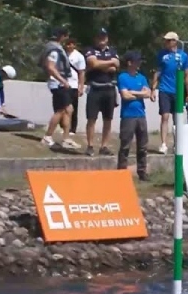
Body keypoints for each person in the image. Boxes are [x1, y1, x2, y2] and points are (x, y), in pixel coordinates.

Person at [40, 26, 79, 150]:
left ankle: (66, 138)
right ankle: (47, 136)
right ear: (62, 36)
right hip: (57, 83)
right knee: (61, 110)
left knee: (69, 109)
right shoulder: (54, 50)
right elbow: (50, 67)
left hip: (60, 83)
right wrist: (62, 80)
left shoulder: (55, 48)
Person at [152, 31, 188, 154]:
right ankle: (163, 143)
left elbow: (186, 75)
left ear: (175, 41)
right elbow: (158, 72)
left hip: (178, 91)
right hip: (164, 89)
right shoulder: (162, 55)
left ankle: (177, 144)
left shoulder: (183, 56)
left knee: (177, 118)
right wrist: (153, 88)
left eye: (169, 40)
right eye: (166, 40)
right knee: (165, 116)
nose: (166, 43)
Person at [83, 28, 120, 156]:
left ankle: (104, 146)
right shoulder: (90, 50)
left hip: (109, 89)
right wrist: (108, 64)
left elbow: (115, 67)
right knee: (91, 119)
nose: (102, 40)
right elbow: (93, 64)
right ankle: (90, 145)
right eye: (99, 37)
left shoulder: (112, 51)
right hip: (95, 88)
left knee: (108, 119)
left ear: (107, 38)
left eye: (104, 37)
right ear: (96, 38)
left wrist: (101, 65)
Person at [117, 51, 152, 181]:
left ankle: (142, 172)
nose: (139, 64)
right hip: (128, 116)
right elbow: (125, 95)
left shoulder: (142, 77)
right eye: (137, 61)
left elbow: (148, 94)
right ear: (130, 63)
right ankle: (121, 172)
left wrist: (133, 92)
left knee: (143, 146)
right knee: (125, 145)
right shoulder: (123, 77)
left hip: (141, 115)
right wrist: (139, 93)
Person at [65, 38, 86, 136]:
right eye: (67, 44)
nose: (69, 46)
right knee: (64, 107)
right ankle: (65, 126)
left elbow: (81, 72)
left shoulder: (79, 56)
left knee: (73, 108)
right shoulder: (63, 54)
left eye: (71, 44)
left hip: (74, 84)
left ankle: (73, 128)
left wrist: (80, 86)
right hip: (64, 83)